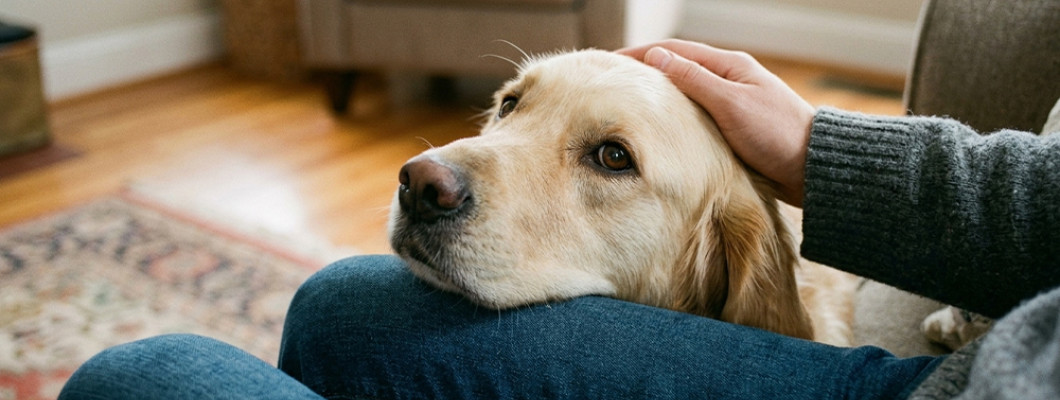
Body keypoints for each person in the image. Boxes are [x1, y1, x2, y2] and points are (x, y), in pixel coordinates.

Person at [58, 39, 1060, 399]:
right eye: (512, 105)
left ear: (719, 271)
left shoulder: (742, 276)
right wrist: (816, 150)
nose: (441, 173)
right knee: (335, 306)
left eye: (609, 157)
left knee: (134, 379)